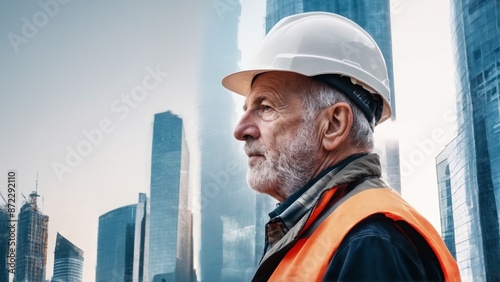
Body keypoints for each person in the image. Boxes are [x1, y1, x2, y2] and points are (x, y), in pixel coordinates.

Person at [221, 12, 460, 281]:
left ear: (334, 125)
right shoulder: (330, 232)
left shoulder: (369, 242)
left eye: (266, 107)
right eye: (246, 109)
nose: (241, 130)